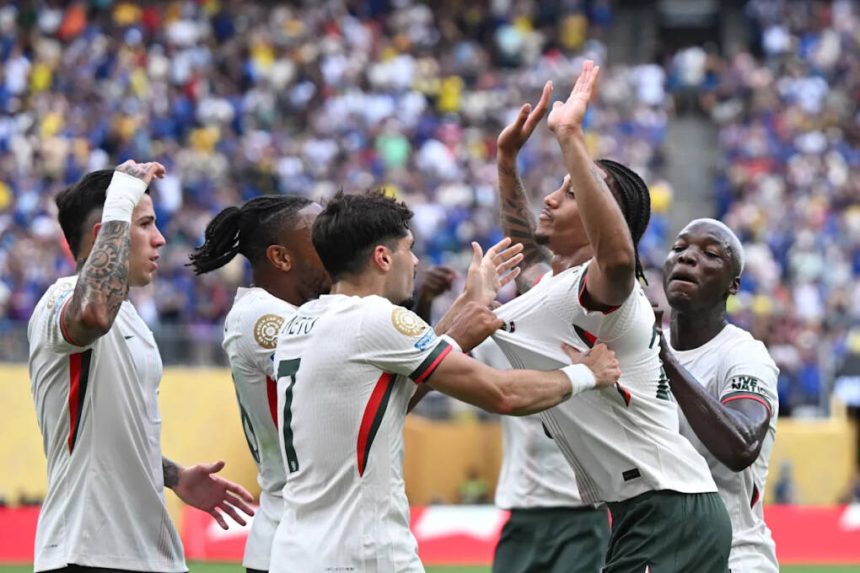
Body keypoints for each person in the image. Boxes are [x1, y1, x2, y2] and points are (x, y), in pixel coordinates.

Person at [270, 190, 622, 573]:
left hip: (295, 549)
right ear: (383, 257)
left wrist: (469, 302)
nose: (415, 261)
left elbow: (395, 390)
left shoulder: (300, 323)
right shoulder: (374, 319)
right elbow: (502, 394)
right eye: (409, 249)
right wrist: (587, 373)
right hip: (362, 552)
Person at [490, 61, 730, 572]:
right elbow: (522, 250)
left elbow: (618, 258)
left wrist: (570, 135)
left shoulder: (609, 288)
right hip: (645, 510)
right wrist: (507, 162)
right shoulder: (557, 287)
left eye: (572, 193)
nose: (551, 199)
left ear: (602, 220)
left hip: (665, 506)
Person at [27, 162, 254, 573]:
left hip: (149, 554)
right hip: (87, 551)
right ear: (106, 234)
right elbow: (93, 313)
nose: (160, 238)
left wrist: (174, 476)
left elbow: (117, 434)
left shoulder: (132, 320)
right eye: (146, 224)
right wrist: (120, 200)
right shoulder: (61, 299)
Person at [189, 196, 331, 573]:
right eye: (321, 238)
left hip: (314, 535)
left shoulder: (306, 313)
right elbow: (358, 388)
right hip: (292, 539)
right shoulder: (260, 317)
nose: (335, 246)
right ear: (281, 257)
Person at [657, 217, 780, 572]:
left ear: (733, 284)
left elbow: (741, 445)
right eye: (679, 248)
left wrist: (663, 359)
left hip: (734, 557)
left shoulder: (744, 355)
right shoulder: (643, 350)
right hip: (665, 557)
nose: (687, 257)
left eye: (710, 254)